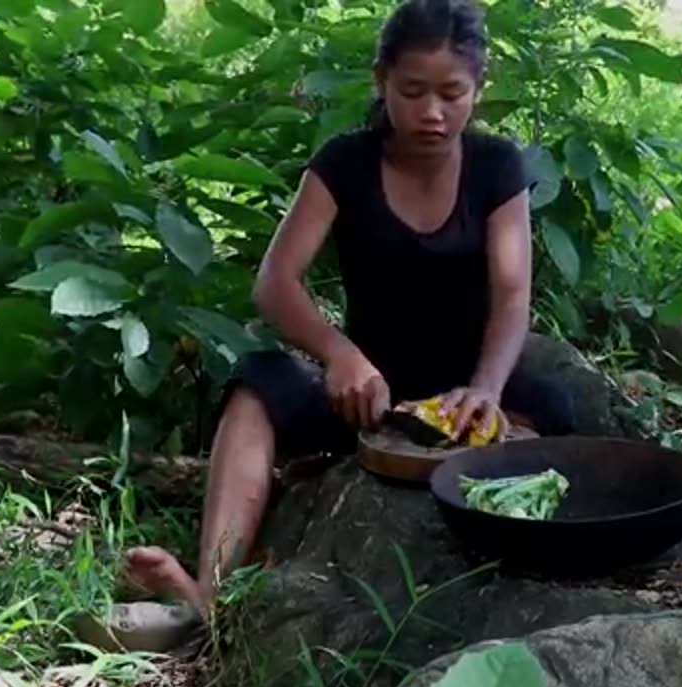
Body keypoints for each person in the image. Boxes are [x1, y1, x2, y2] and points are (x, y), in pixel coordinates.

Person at [123, 0, 575, 620]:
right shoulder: (346, 163)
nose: (433, 112)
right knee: (258, 382)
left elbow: (513, 294)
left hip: (462, 406)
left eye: (452, 93)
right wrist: (338, 355)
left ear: (479, 90)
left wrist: (488, 389)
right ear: (381, 81)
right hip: (365, 402)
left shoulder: (497, 167)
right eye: (413, 91)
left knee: (553, 405)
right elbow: (275, 281)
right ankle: (211, 588)